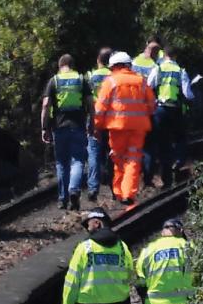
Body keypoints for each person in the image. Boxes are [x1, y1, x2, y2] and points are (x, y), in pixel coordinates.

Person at [93, 51, 156, 205]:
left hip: (117, 127)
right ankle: (128, 193)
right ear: (128, 65)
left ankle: (119, 192)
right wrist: (142, 115)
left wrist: (97, 126)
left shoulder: (111, 81)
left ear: (113, 66)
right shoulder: (141, 81)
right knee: (133, 160)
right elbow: (152, 105)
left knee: (118, 158)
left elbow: (100, 107)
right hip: (138, 128)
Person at [41, 53, 91, 210]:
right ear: (72, 65)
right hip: (78, 125)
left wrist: (44, 127)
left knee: (61, 163)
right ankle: (74, 189)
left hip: (59, 126)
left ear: (60, 65)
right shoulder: (81, 79)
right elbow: (91, 104)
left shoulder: (54, 80)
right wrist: (93, 123)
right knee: (78, 160)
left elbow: (46, 105)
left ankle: (63, 199)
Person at [144, 47, 192, 187]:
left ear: (164, 55)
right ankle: (176, 165)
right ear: (176, 56)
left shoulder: (157, 68)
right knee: (179, 139)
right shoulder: (180, 70)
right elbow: (187, 93)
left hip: (160, 110)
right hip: (175, 110)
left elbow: (148, 86)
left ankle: (159, 179)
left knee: (161, 144)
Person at [86, 47, 114, 202]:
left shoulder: (91, 77)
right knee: (112, 153)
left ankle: (93, 188)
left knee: (94, 154)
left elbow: (87, 100)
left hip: (95, 119)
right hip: (111, 120)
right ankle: (114, 188)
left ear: (98, 59)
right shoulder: (114, 77)